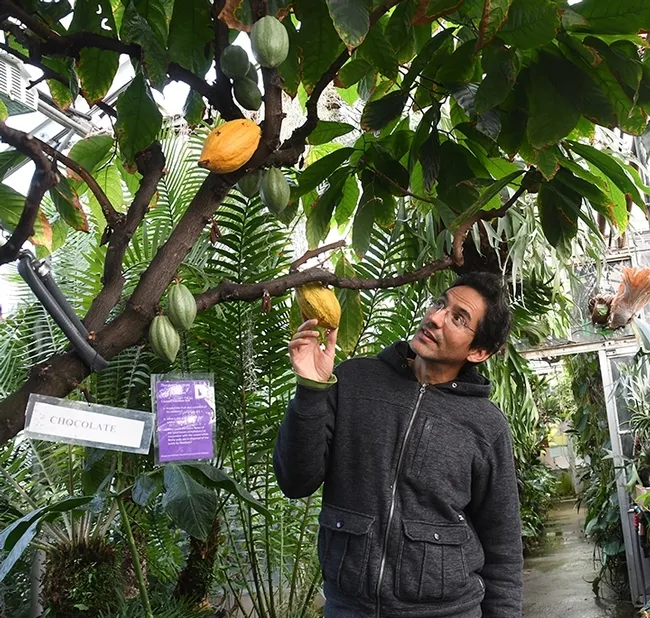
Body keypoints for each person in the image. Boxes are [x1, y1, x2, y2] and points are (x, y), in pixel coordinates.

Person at [273, 272, 523, 618]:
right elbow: (294, 481)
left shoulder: (486, 425)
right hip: (349, 609)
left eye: (458, 318)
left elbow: (504, 548)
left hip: (448, 611)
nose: (435, 318)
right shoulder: (353, 380)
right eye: (440, 303)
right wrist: (311, 389)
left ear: (479, 351)